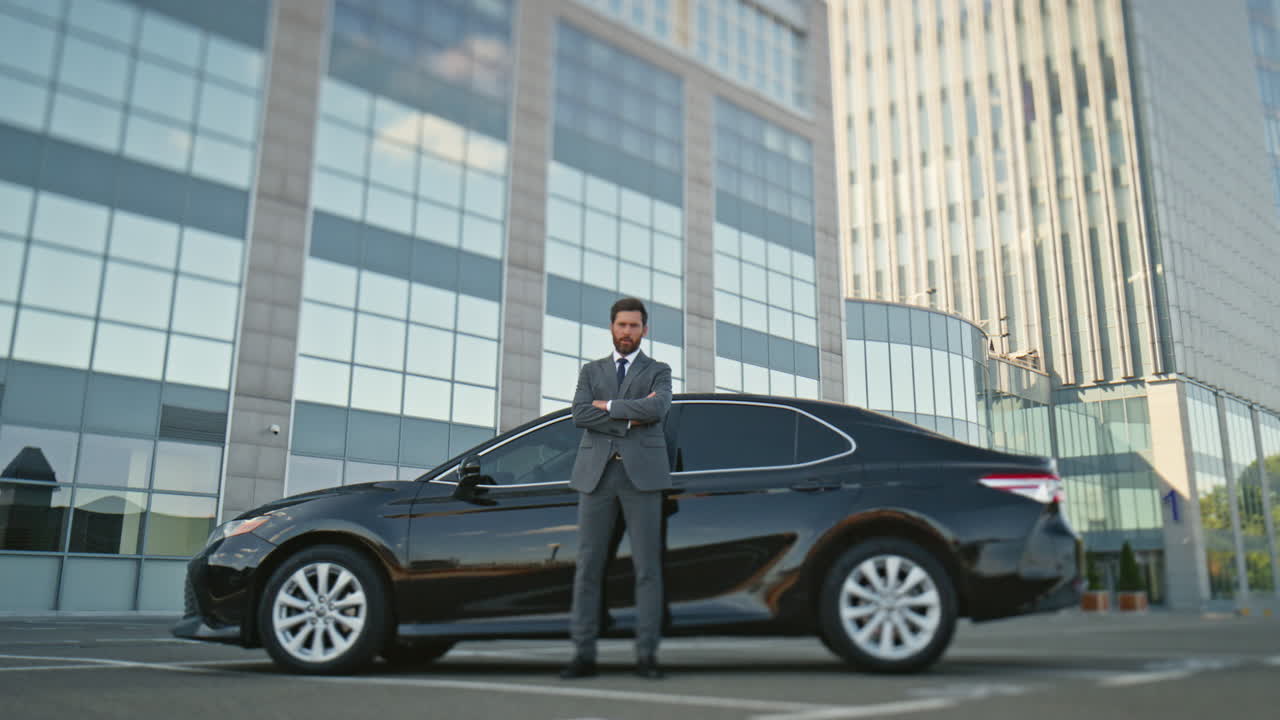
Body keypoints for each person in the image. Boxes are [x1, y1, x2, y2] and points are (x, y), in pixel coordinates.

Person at [560, 297, 673, 680]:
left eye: (634, 326)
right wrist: (628, 418)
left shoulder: (659, 370)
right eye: (622, 325)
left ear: (644, 330)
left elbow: (658, 410)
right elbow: (579, 413)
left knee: (647, 569)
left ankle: (646, 655)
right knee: (589, 567)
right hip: (597, 477)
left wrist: (607, 407)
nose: (627, 332)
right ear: (611, 327)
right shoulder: (590, 370)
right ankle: (583, 654)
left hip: (643, 478)